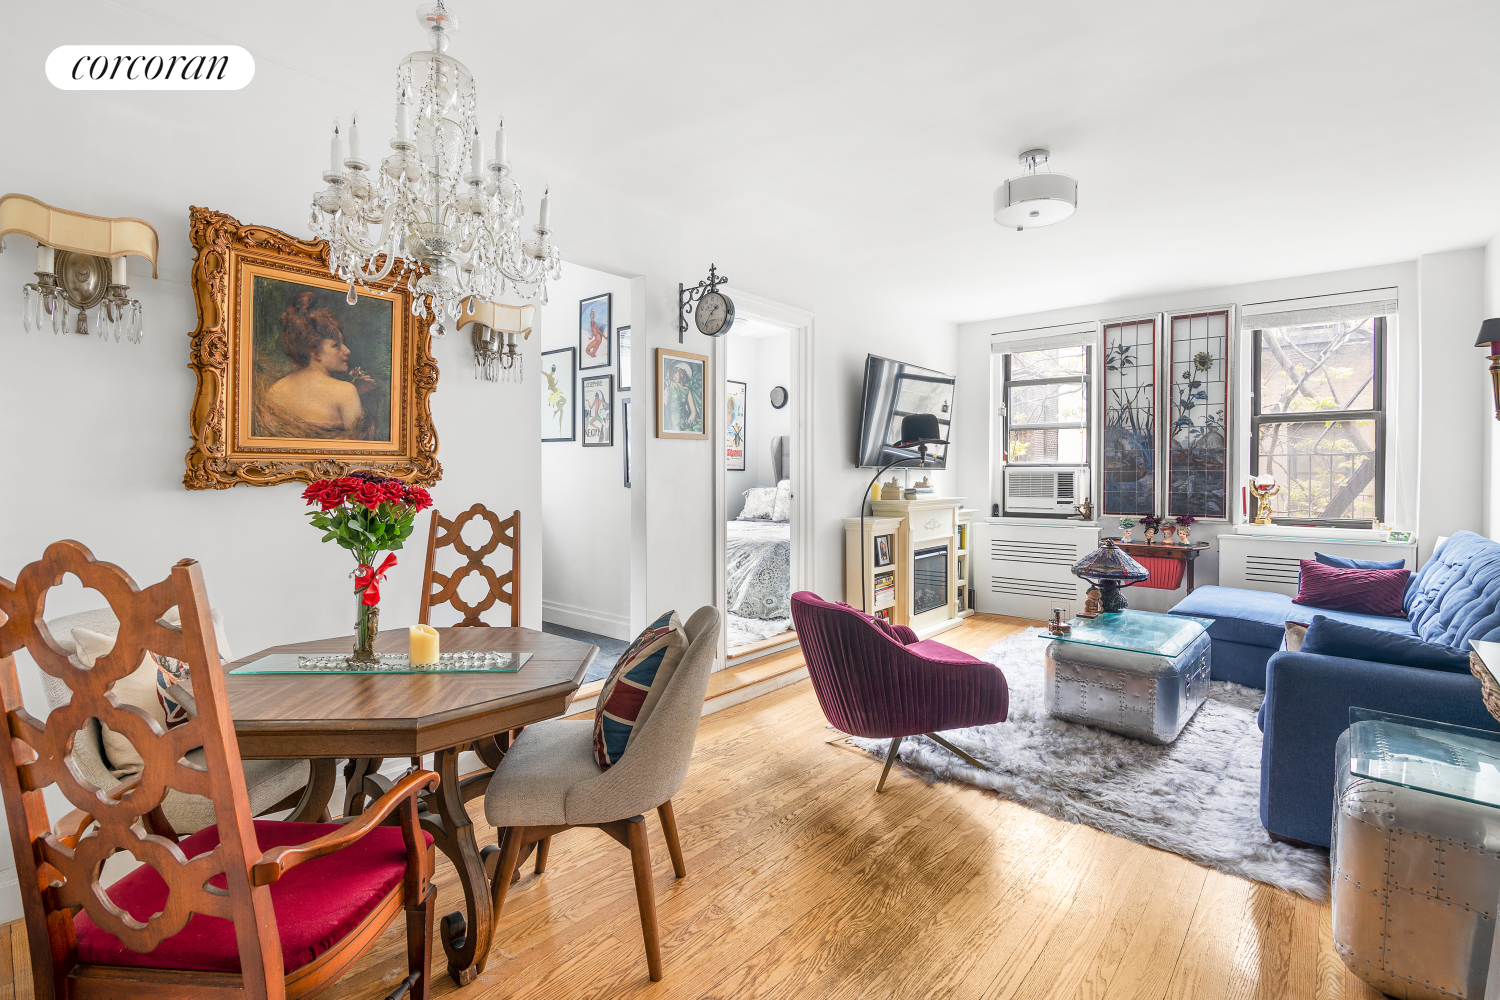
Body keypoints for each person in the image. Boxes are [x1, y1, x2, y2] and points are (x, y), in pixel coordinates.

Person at [255, 292, 378, 439]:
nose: (347, 350)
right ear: (315, 352)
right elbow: (360, 450)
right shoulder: (345, 392)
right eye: (336, 345)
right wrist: (351, 395)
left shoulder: (274, 390)